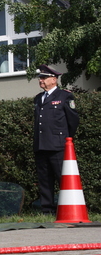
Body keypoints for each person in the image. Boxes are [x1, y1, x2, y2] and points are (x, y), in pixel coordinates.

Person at [33, 64, 79, 215]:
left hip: (58, 145)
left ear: (54, 79)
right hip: (41, 145)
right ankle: (47, 210)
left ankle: (69, 209)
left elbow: (72, 121)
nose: (41, 80)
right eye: (40, 78)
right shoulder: (38, 98)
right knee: (44, 180)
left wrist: (65, 139)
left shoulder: (65, 96)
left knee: (63, 178)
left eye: (44, 78)